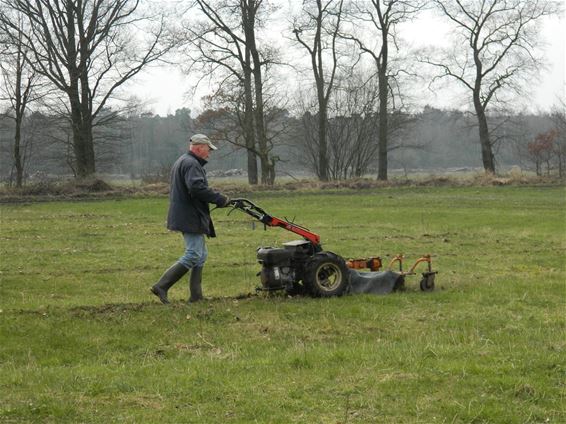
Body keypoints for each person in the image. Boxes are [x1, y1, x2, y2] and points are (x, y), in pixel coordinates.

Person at [150, 133, 230, 304]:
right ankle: (161, 286)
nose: (209, 153)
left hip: (186, 213)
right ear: (199, 148)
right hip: (189, 215)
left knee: (201, 255)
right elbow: (196, 188)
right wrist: (219, 198)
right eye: (208, 149)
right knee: (193, 254)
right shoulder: (191, 164)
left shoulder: (183, 161)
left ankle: (196, 296)